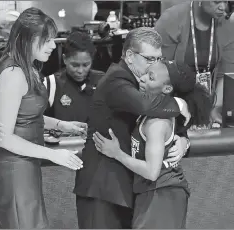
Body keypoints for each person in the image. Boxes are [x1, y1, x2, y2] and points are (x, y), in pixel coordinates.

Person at [74, 27, 192, 229]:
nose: (155, 65)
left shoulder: (144, 83)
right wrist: (180, 104)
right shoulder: (116, 80)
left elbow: (160, 115)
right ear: (130, 56)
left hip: (130, 187)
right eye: (149, 59)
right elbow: (145, 106)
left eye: (159, 59)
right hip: (103, 188)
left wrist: (183, 140)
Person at [0, 8, 85, 229]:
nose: (53, 45)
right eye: (47, 40)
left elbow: (26, 115)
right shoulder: (13, 75)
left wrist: (61, 124)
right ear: (27, 39)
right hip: (11, 162)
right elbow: (3, 137)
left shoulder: (27, 66)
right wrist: (54, 154)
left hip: (24, 158)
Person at [93, 60, 214, 228]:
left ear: (167, 89)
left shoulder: (157, 124)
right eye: (146, 73)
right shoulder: (153, 113)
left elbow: (151, 172)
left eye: (150, 77)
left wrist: (117, 153)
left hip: (163, 192)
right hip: (153, 192)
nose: (142, 79)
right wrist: (184, 141)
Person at [155, 1, 234, 126]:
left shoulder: (226, 25)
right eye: (216, 1)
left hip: (209, 101)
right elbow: (160, 72)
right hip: (173, 100)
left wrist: (216, 108)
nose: (223, 7)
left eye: (226, 1)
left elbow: (225, 74)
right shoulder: (171, 19)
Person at [43, 31, 105, 123]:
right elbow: (33, 120)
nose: (80, 71)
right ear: (65, 59)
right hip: (63, 137)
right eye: (75, 65)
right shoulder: (50, 84)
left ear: (92, 60)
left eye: (86, 65)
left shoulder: (103, 81)